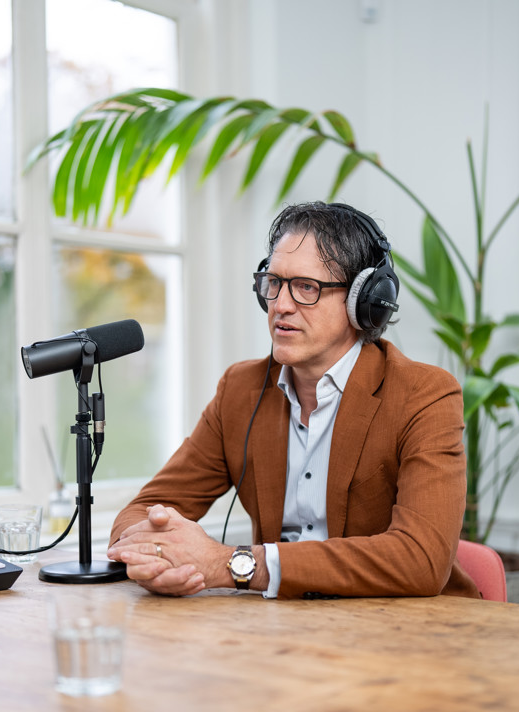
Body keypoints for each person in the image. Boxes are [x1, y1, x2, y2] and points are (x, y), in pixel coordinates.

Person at [107, 201, 479, 600]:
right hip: (284, 636)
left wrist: (233, 564)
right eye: (274, 282)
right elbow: (142, 513)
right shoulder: (240, 389)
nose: (281, 305)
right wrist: (156, 559)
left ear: (363, 303)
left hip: (406, 636)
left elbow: (420, 559)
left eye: (306, 287)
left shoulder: (424, 394)